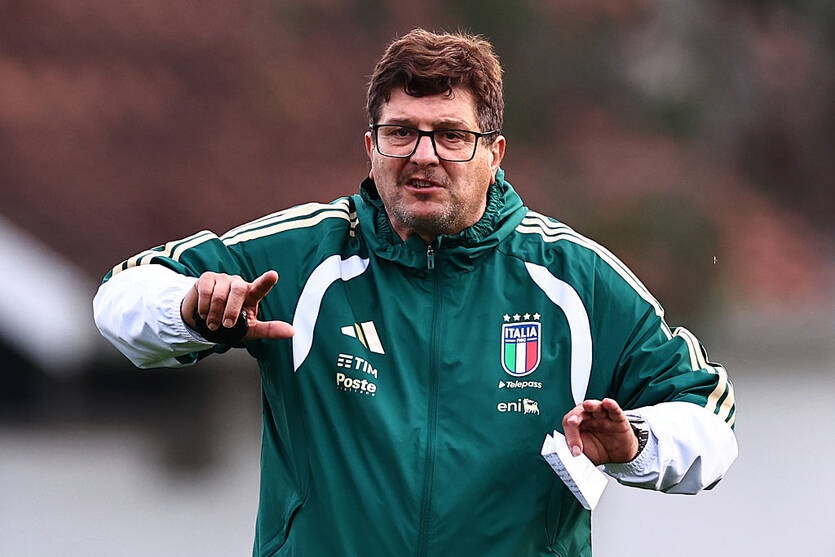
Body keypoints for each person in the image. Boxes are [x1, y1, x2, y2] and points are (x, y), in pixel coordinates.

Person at [93, 28, 737, 557]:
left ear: (495, 153)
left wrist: (635, 445)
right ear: (371, 147)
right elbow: (121, 295)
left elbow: (709, 416)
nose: (423, 155)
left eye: (451, 135)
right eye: (401, 131)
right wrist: (189, 310)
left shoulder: (571, 279)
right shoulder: (306, 256)